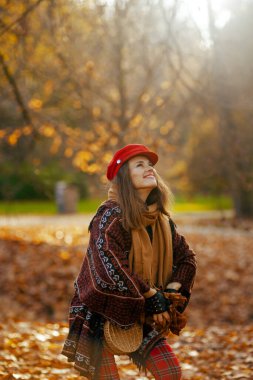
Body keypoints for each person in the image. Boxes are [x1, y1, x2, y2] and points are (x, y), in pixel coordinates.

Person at [61, 144, 197, 380]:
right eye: (140, 165)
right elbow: (110, 263)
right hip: (100, 309)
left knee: (170, 372)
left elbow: (187, 259)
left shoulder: (161, 221)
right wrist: (151, 294)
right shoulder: (110, 215)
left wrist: (169, 294)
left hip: (139, 308)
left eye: (151, 165)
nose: (150, 169)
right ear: (124, 176)